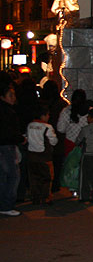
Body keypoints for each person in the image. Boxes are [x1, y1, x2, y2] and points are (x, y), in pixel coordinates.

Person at [0, 82, 24, 216]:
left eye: (14, 95)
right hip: (6, 146)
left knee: (4, 175)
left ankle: (4, 204)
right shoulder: (8, 112)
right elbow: (9, 132)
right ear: (2, 97)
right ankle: (6, 205)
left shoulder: (9, 110)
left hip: (6, 145)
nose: (13, 98)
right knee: (12, 175)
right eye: (10, 95)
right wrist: (20, 139)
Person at [26, 104, 58, 205]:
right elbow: (53, 141)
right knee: (46, 178)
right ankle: (45, 198)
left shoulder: (30, 125)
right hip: (44, 157)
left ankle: (35, 198)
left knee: (34, 178)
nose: (48, 117)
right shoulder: (47, 127)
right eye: (47, 115)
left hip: (31, 155)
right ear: (43, 115)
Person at [57, 89, 89, 157]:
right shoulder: (90, 111)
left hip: (70, 143)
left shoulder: (65, 111)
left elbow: (60, 129)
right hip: (87, 144)